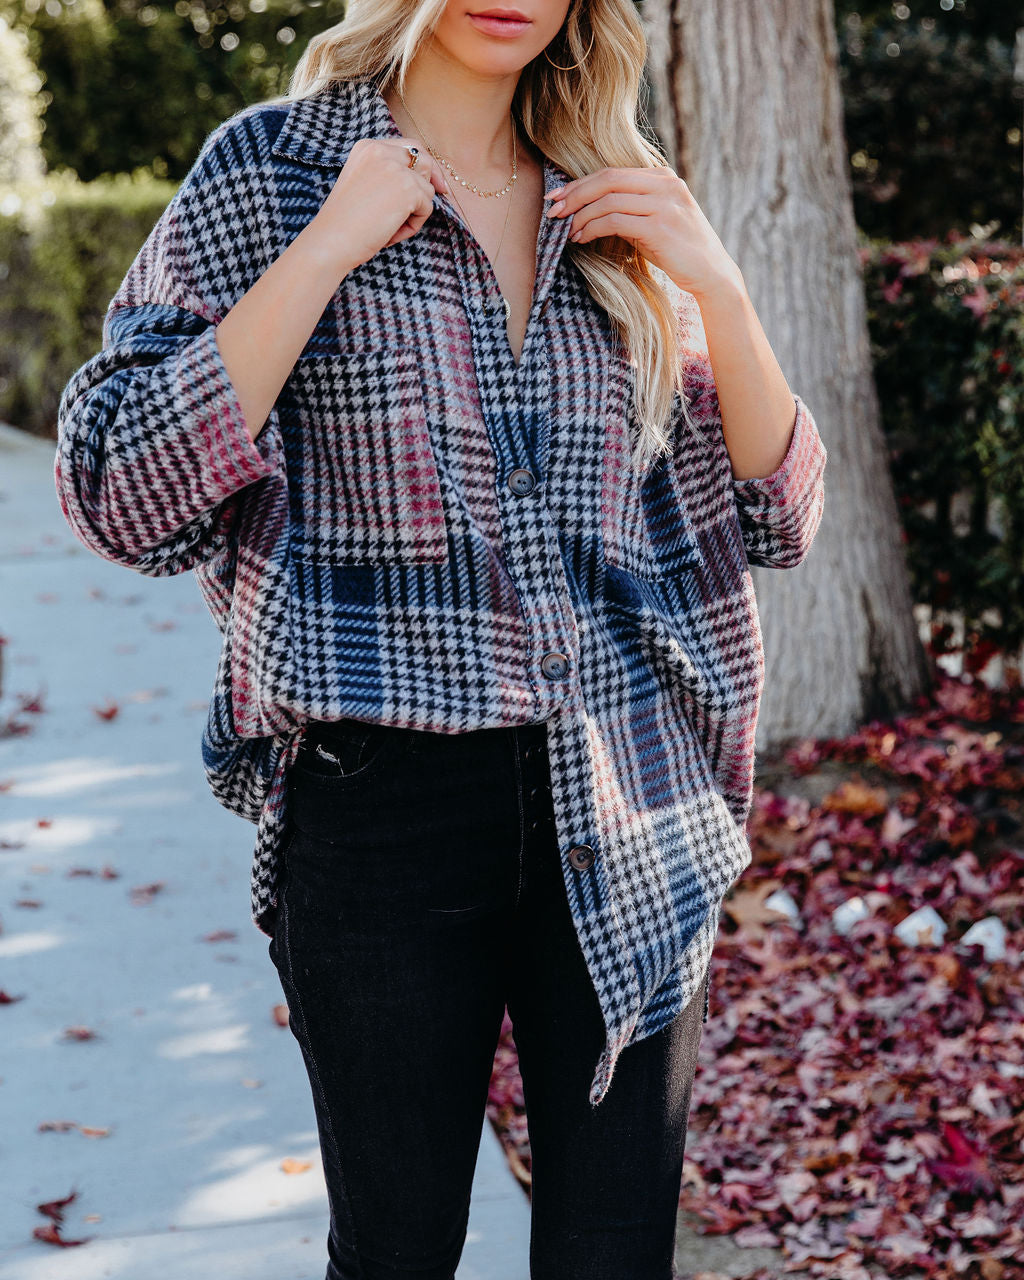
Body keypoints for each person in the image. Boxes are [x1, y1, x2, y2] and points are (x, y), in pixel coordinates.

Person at [53, 1, 828, 1276]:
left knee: (614, 1253)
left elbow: (776, 517)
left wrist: (723, 294)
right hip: (381, 809)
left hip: (631, 792)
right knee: (398, 1251)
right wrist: (322, 251)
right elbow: (120, 493)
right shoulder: (271, 170)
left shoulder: (616, 198)